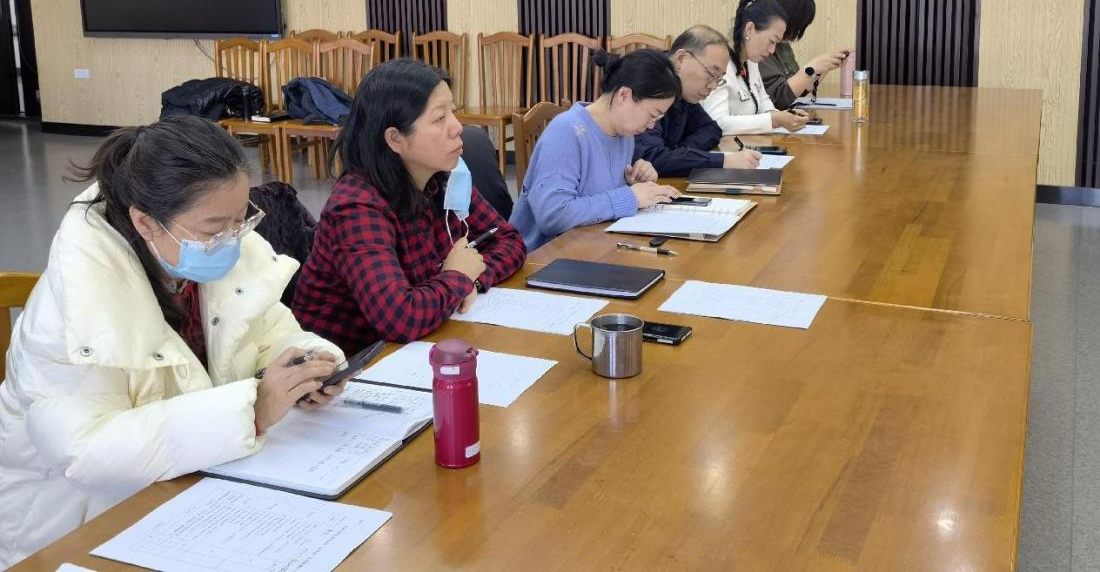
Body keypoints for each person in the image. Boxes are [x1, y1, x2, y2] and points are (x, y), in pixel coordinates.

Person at [0, 116, 346, 568]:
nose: (232, 239)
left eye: (241, 219)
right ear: (145, 222)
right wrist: (251, 410)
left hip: (191, 485)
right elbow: (87, 452)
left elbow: (269, 330)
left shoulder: (206, 248)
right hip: (76, 523)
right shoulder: (74, 304)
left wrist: (308, 363)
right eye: (214, 228)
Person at [292, 59, 526, 355]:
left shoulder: (444, 178)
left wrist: (473, 279)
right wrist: (457, 278)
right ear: (395, 139)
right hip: (348, 365)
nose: (457, 127)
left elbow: (510, 240)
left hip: (417, 344)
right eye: (439, 118)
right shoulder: (356, 207)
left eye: (453, 112)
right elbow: (400, 318)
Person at [510, 49, 683, 250]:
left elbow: (597, 195)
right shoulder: (567, 131)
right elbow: (553, 215)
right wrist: (630, 197)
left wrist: (632, 183)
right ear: (624, 95)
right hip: (543, 256)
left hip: (590, 245)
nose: (652, 125)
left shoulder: (624, 134)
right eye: (652, 115)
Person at [633, 25, 762, 177]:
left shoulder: (685, 92)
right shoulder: (648, 83)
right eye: (712, 74)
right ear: (681, 59)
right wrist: (723, 161)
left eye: (719, 79)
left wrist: (682, 153)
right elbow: (650, 157)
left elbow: (711, 129)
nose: (713, 86)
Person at [701, 0, 812, 135]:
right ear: (749, 29)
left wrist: (783, 116)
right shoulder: (721, 63)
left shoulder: (751, 61)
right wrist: (774, 120)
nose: (772, 50)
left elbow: (763, 100)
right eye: (771, 41)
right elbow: (718, 123)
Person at [758, 0, 850, 110]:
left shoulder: (782, 45)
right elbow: (778, 98)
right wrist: (811, 68)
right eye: (799, 26)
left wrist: (825, 66)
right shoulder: (759, 46)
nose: (799, 32)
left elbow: (798, 90)